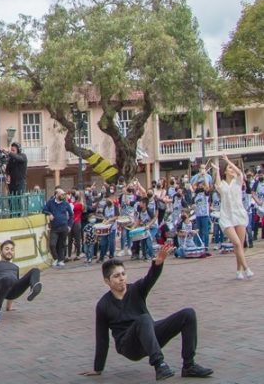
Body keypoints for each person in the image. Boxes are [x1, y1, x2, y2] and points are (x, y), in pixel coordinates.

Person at [81, 242, 212, 380]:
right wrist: (98, 368)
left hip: (149, 335)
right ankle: (159, 364)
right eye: (116, 276)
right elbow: (102, 338)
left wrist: (158, 264)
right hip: (129, 346)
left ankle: (189, 366)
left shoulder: (136, 289)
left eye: (123, 274)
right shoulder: (103, 305)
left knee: (188, 314)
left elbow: (150, 279)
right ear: (107, 281)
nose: (122, 278)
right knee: (143, 319)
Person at [211, 156, 252, 279]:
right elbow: (218, 185)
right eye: (229, 168)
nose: (232, 169)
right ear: (225, 171)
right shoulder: (223, 184)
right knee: (237, 243)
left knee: (239, 245)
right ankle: (247, 268)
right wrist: (218, 170)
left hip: (239, 214)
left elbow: (239, 172)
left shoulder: (238, 181)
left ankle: (239, 271)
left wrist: (229, 161)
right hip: (227, 216)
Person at [43, 186, 73, 267]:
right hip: (54, 228)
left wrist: (69, 226)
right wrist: (49, 214)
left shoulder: (66, 203)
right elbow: (44, 210)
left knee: (62, 245)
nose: (63, 196)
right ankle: (56, 258)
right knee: (52, 244)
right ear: (56, 194)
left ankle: (60, 260)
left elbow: (71, 215)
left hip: (64, 227)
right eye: (61, 194)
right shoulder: (50, 202)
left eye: (64, 194)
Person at [5, 141, 28, 211]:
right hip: (12, 182)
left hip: (20, 182)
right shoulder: (11, 159)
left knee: (19, 199)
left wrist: (9, 153)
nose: (12, 152)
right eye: (11, 150)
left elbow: (18, 158)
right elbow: (7, 170)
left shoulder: (23, 156)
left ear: (18, 150)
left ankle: (20, 214)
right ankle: (12, 214)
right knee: (11, 199)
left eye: (13, 150)